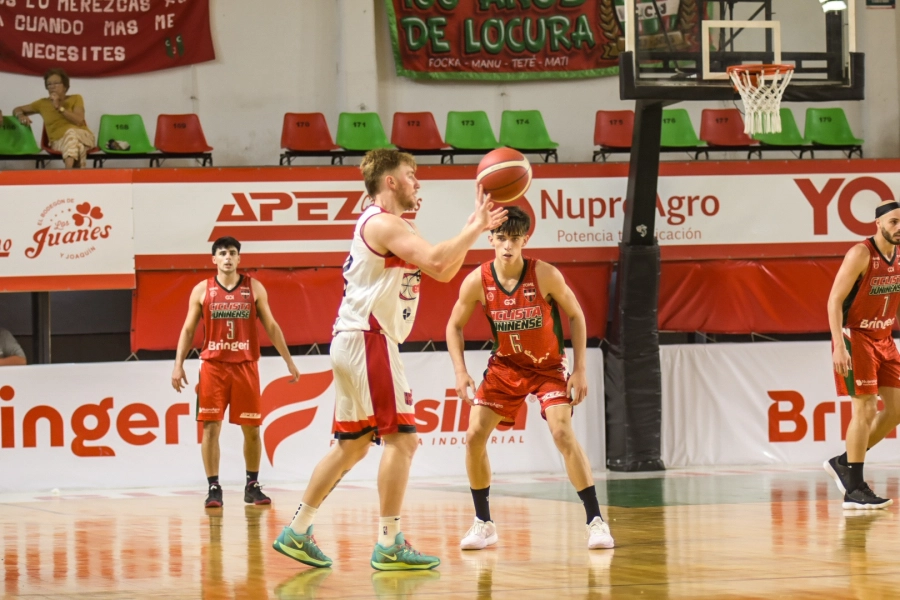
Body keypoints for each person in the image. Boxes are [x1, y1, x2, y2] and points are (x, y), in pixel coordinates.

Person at [272, 148, 506, 571]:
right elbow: (438, 260)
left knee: (353, 445)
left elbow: (443, 271)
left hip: (354, 338)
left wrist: (472, 229)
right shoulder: (382, 223)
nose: (418, 182)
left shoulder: (392, 225)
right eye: (410, 174)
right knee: (403, 440)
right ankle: (389, 542)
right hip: (369, 339)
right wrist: (475, 227)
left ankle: (297, 530)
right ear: (390, 181)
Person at [445, 205, 615, 551]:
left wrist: (580, 368)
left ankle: (595, 521)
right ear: (491, 238)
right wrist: (460, 371)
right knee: (474, 435)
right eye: (501, 238)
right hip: (505, 367)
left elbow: (576, 315)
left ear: (526, 239)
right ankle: (483, 522)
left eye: (515, 238)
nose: (508, 245)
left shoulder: (545, 275)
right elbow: (453, 325)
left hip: (547, 367)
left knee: (562, 432)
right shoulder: (478, 280)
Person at [171, 236, 300, 508]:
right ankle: (213, 487)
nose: (227, 257)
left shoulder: (254, 288)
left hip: (245, 365)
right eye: (222, 253)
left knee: (252, 429)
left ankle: (252, 485)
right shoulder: (202, 290)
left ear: (239, 258)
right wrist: (178, 364)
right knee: (211, 428)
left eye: (232, 252)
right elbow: (188, 329)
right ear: (214, 259)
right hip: (213, 366)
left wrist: (288, 360)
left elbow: (271, 326)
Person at [823, 200, 900, 509]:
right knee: (865, 408)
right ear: (878, 223)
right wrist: (838, 345)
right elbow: (834, 300)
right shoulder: (861, 253)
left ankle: (844, 462)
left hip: (885, 337)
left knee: (896, 409)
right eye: (893, 221)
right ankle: (854, 489)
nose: (899, 227)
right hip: (855, 336)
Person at [11, 68, 95, 168]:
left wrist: (59, 107)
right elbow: (17, 109)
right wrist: (20, 115)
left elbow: (79, 120)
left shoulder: (76, 98)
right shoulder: (42, 103)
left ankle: (67, 174)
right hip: (58, 141)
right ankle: (74, 175)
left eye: (56, 83)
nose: (52, 87)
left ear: (65, 86)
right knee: (78, 147)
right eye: (49, 84)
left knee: (71, 134)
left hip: (84, 137)